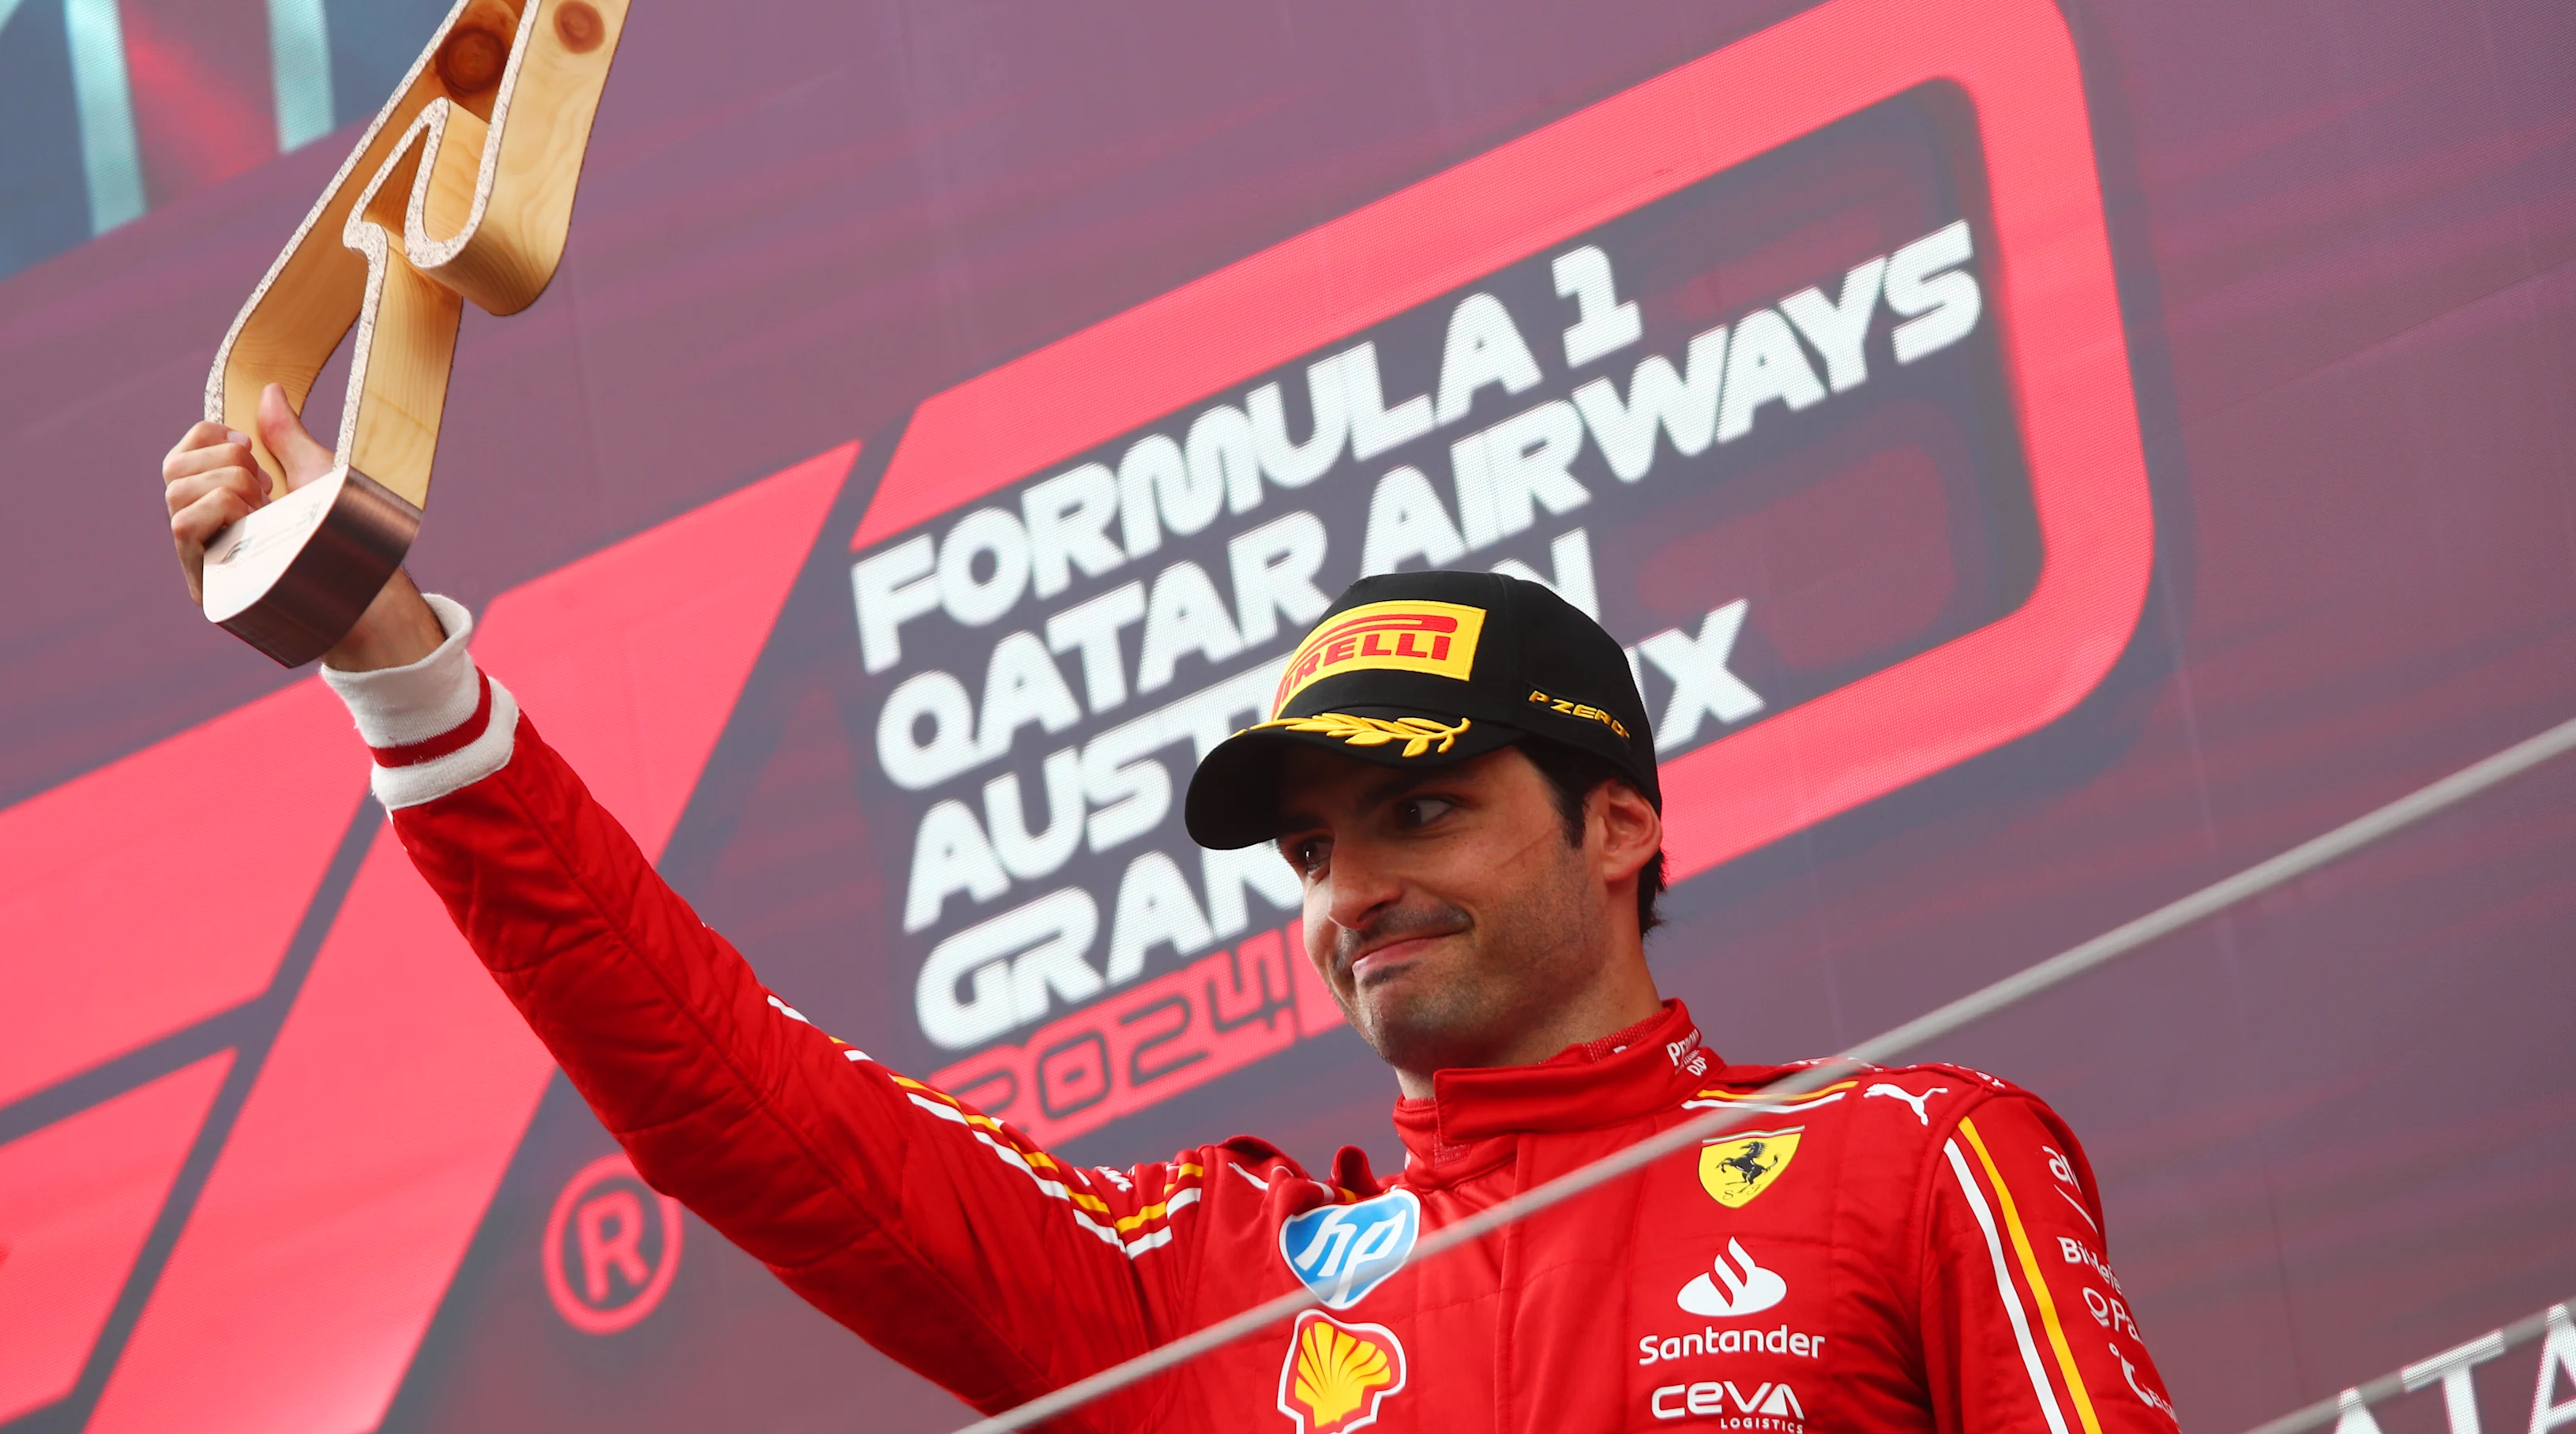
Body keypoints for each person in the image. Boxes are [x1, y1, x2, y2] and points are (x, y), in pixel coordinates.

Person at [163, 387, 2181, 1433]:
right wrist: (401, 671)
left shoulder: (1911, 1162)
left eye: (1422, 810)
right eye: (1311, 852)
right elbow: (732, 1101)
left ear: (1622, 828)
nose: (1357, 888)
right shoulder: (1206, 1285)